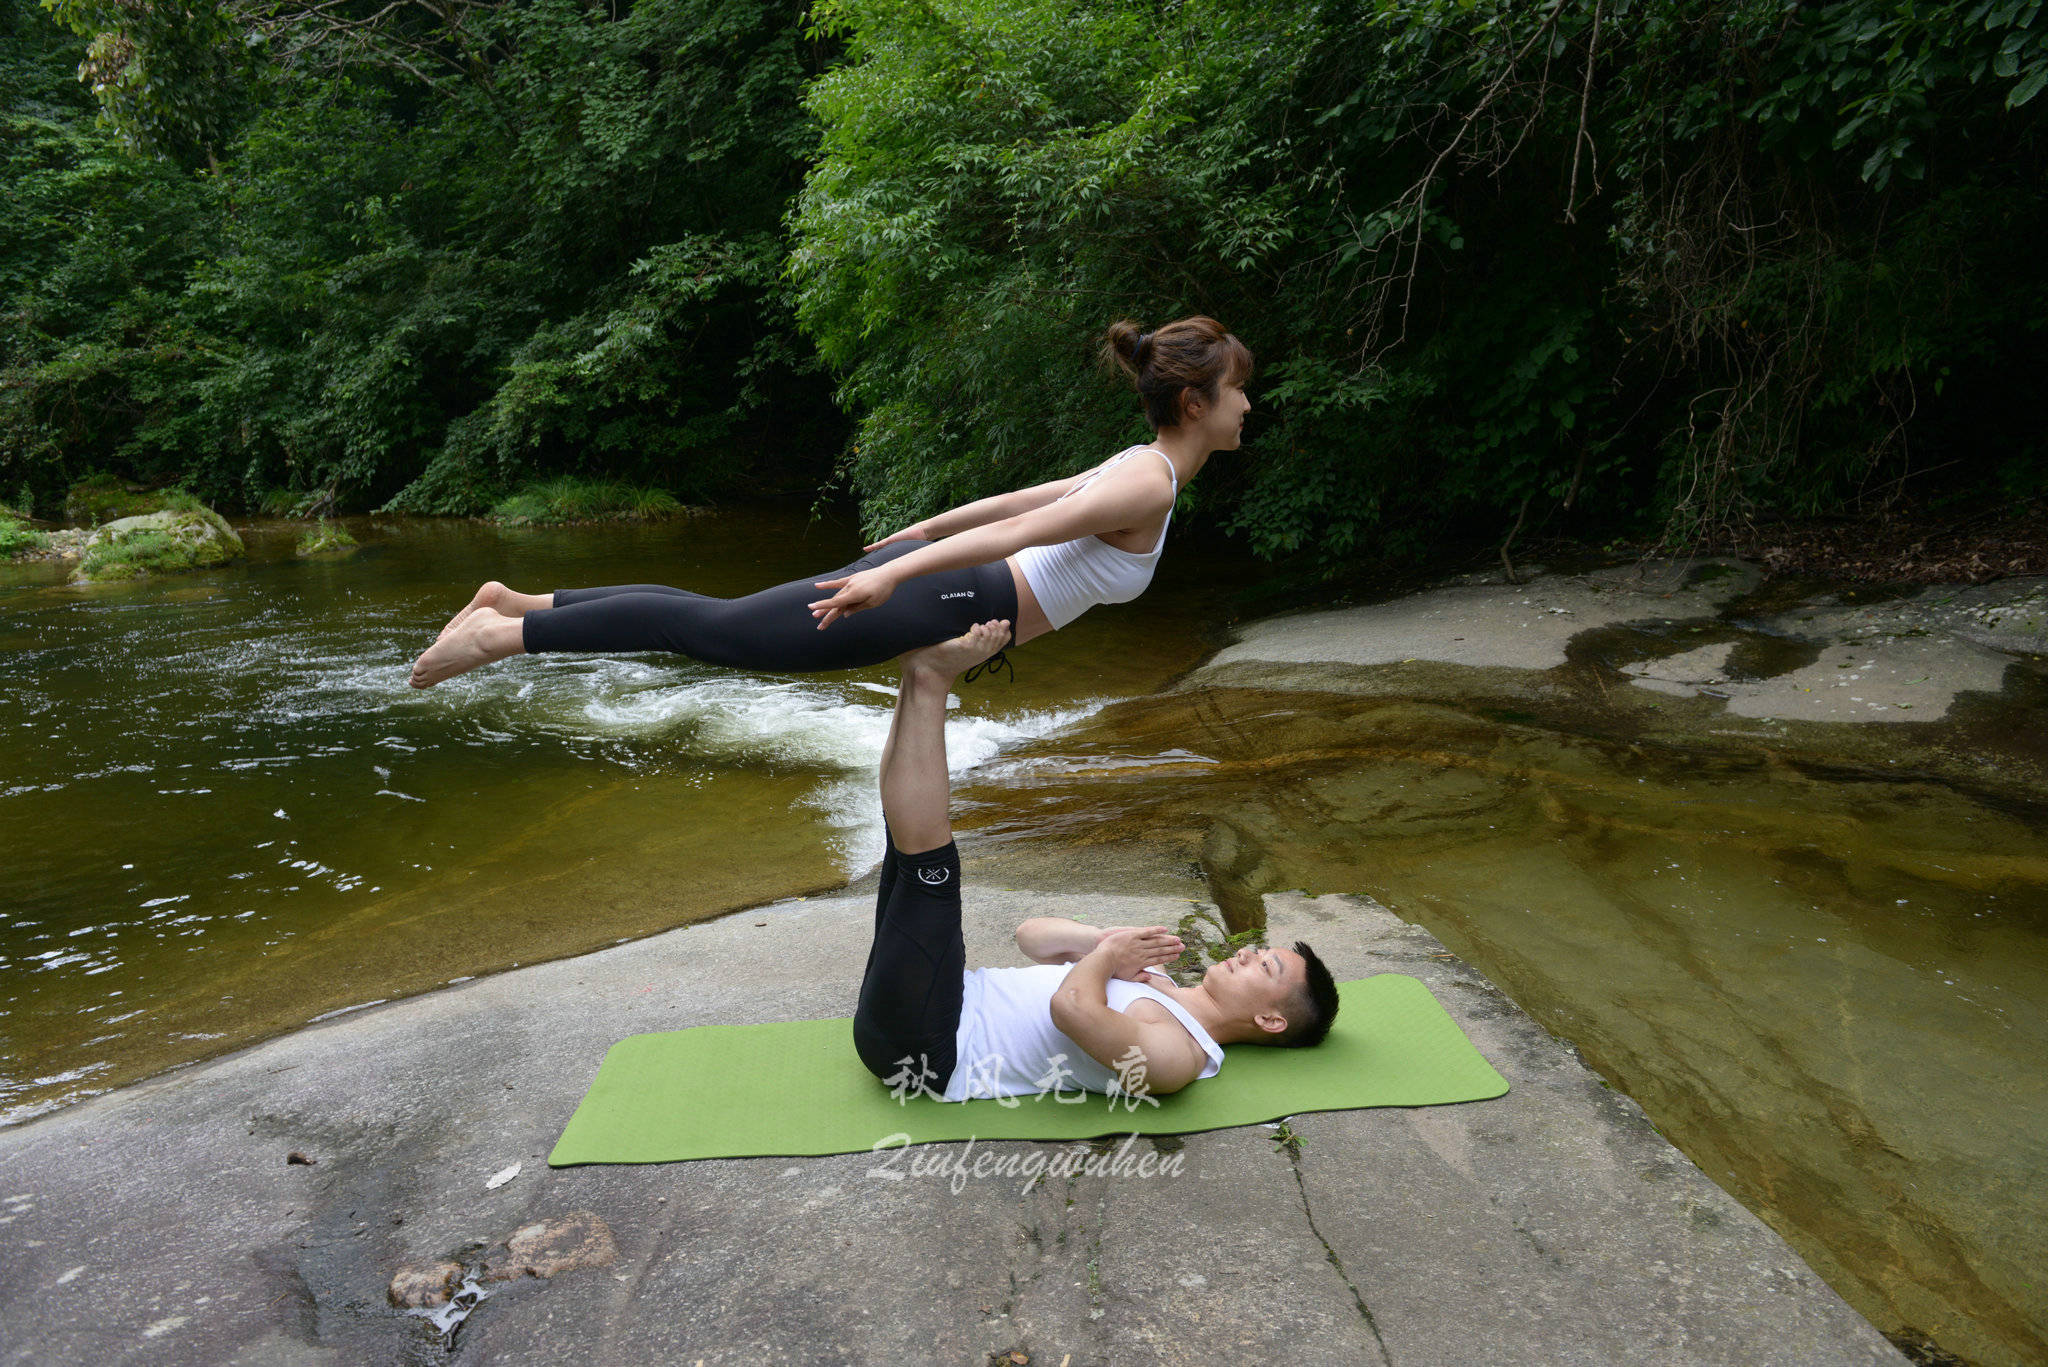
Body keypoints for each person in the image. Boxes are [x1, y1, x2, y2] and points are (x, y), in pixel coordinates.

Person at [408, 316, 1254, 688]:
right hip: (953, 592)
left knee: (717, 618)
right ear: (1194, 403)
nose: (1246, 405)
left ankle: (518, 605)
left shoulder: (1143, 469)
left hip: (940, 583)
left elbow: (1017, 503)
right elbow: (1028, 525)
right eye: (1237, 390)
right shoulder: (1151, 479)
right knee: (712, 631)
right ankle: (506, 637)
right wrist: (898, 572)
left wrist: (917, 535)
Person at [854, 620, 1339, 1103]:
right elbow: (1031, 937)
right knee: (906, 841)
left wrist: (1106, 960)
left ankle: (930, 678)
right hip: (941, 1000)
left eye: (1266, 966)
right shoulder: (1155, 978)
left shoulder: (1181, 1055)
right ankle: (917, 672)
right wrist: (1102, 941)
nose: (1248, 953)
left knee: (930, 862)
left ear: (1270, 1021)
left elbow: (1071, 1009)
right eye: (1260, 951)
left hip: (930, 1050)